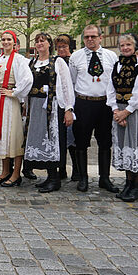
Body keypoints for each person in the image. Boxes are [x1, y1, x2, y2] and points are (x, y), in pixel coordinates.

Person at [68, 24, 119, 193]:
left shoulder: (112, 56)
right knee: (81, 142)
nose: (90, 39)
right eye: (87, 37)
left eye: (93, 36)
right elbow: (72, 82)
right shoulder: (76, 57)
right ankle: (83, 178)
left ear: (100, 37)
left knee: (105, 142)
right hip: (84, 103)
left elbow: (114, 82)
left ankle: (104, 178)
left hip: (105, 104)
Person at [105, 34, 138, 202]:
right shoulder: (116, 65)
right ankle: (129, 182)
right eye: (122, 45)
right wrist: (115, 111)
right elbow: (110, 89)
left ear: (135, 47)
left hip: (137, 111)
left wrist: (126, 111)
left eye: (128, 44)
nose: (125, 48)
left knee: (136, 146)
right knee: (124, 146)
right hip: (119, 111)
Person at [23, 33, 74, 193]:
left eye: (42, 41)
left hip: (51, 106)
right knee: (40, 139)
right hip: (35, 105)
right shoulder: (32, 63)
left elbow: (66, 86)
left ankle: (55, 178)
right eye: (37, 41)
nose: (39, 44)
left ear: (49, 44)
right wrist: (25, 104)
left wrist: (68, 109)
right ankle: (48, 176)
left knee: (52, 140)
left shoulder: (57, 62)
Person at [0, 31, 33, 187]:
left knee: (13, 136)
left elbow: (27, 80)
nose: (6, 42)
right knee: (2, 136)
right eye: (3, 39)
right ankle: (5, 171)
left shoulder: (20, 60)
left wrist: (14, 92)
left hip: (9, 102)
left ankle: (16, 174)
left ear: (15, 43)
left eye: (9, 40)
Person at [54, 34, 77, 182]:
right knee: (61, 137)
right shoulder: (55, 61)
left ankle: (77, 169)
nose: (61, 49)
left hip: (74, 101)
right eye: (59, 47)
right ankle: (61, 168)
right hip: (60, 103)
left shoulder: (74, 61)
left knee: (73, 138)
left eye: (64, 46)